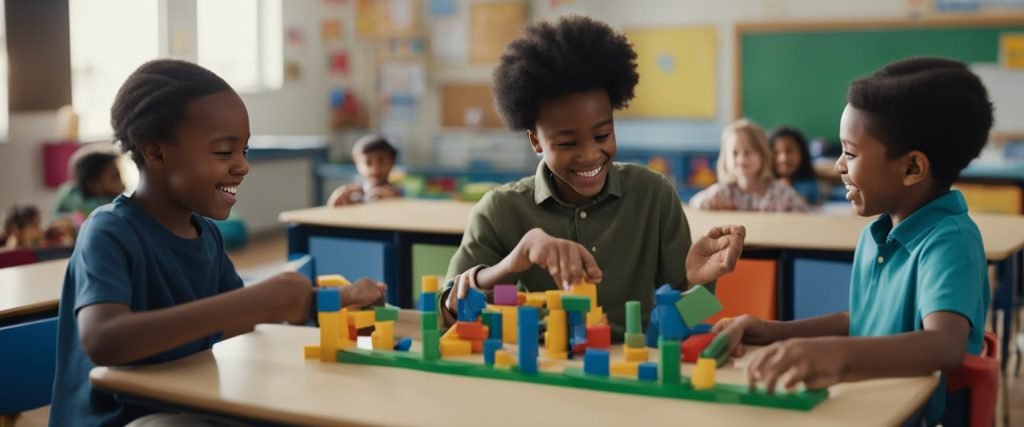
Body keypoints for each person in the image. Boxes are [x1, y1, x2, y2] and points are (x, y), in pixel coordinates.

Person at [49, 59, 387, 426]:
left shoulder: (205, 234)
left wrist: (336, 300)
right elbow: (104, 340)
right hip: (124, 419)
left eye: (244, 150)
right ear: (156, 151)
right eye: (225, 152)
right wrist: (258, 301)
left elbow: (241, 319)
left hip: (190, 402)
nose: (242, 165)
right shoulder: (109, 231)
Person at [714, 57, 992, 425]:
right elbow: (863, 321)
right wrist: (772, 331)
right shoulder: (877, 234)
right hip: (866, 408)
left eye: (851, 152)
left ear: (912, 168)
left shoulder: (949, 242)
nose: (838, 167)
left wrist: (838, 357)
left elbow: (944, 344)